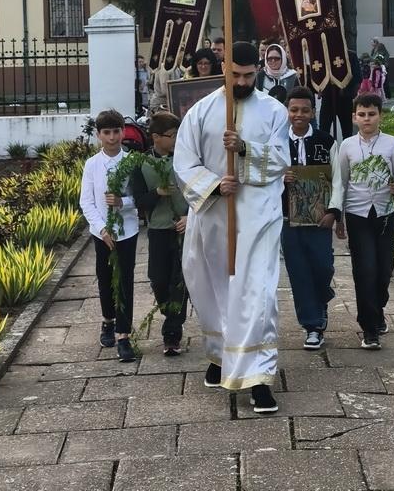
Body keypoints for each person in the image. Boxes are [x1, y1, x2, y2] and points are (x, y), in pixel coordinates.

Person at [173, 41, 289, 414]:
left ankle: (257, 377)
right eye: (235, 75)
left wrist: (244, 149)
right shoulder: (201, 112)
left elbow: (281, 160)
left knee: (256, 294)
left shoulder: (274, 111)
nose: (241, 82)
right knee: (212, 288)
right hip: (212, 216)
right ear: (224, 68)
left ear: (258, 71)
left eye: (248, 76)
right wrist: (213, 185)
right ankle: (222, 355)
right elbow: (183, 162)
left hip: (257, 218)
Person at [339, 93, 394, 350]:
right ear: (354, 117)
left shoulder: (391, 144)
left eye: (371, 114)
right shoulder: (347, 146)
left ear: (380, 116)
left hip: (385, 214)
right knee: (365, 270)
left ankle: (377, 312)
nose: (366, 119)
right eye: (362, 114)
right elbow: (341, 183)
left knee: (384, 269)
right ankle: (369, 329)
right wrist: (339, 218)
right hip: (357, 215)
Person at [281, 86, 345, 350]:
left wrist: (333, 212)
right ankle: (313, 326)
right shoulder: (277, 142)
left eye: (305, 110)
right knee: (298, 271)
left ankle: (321, 300)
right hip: (288, 218)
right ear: (287, 111)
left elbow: (338, 179)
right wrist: (280, 177)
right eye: (294, 110)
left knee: (323, 267)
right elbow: (263, 174)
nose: (299, 115)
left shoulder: (326, 141)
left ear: (313, 112)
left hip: (319, 219)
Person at [79, 109, 138, 362]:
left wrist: (123, 202)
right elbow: (87, 201)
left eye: (116, 131)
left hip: (127, 230)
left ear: (123, 132)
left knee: (124, 280)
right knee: (104, 277)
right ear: (99, 135)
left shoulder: (132, 162)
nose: (112, 137)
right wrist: (102, 228)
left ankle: (124, 334)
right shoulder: (92, 165)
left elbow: (139, 197)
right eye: (107, 132)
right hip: (101, 231)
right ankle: (108, 320)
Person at [130, 112, 189, 356]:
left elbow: (201, 192)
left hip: (184, 228)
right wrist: (157, 193)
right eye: (172, 135)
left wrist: (190, 217)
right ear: (156, 137)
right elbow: (139, 201)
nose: (176, 139)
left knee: (179, 280)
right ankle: (169, 313)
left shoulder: (186, 160)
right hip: (157, 230)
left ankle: (172, 333)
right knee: (158, 279)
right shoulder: (141, 164)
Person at [319, 49, 361, 141]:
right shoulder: (323, 54)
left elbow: (357, 76)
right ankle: (325, 149)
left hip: (345, 98)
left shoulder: (350, 55)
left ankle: (347, 149)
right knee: (323, 129)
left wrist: (348, 91)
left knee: (347, 131)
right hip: (328, 97)